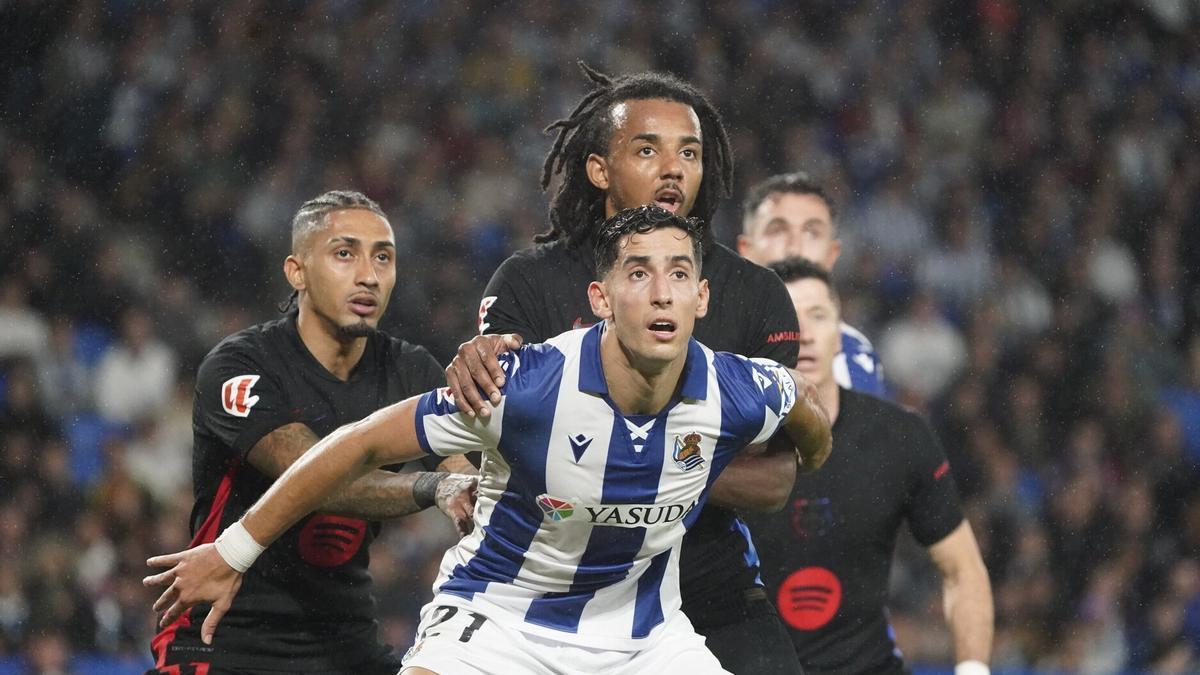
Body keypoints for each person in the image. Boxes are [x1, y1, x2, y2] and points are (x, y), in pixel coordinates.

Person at [142, 206, 834, 675]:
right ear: (601, 296)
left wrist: (813, 444)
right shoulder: (525, 386)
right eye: (639, 272)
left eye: (679, 274)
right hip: (499, 624)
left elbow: (807, 422)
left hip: (643, 640)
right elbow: (353, 445)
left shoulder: (741, 389)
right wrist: (236, 548)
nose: (661, 293)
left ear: (702, 298)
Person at [447, 64, 807, 673]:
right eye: (648, 149)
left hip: (707, 594)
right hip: (547, 603)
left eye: (689, 152)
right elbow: (483, 438)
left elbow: (773, 482)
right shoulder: (529, 283)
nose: (673, 168)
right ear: (599, 169)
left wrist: (618, 466)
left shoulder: (756, 295)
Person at [145, 190, 478, 675]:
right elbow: (318, 474)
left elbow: (471, 477)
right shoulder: (241, 367)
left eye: (382, 257)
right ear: (296, 271)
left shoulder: (410, 370)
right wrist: (435, 487)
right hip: (225, 635)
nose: (368, 275)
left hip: (346, 640)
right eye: (345, 253)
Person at [747, 257, 993, 674]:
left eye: (819, 316)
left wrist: (973, 669)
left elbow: (963, 570)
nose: (804, 334)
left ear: (841, 336)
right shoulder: (723, 443)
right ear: (763, 335)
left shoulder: (900, 437)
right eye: (789, 318)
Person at [738, 172, 886, 398]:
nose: (795, 248)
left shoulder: (855, 356)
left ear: (831, 255)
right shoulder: (700, 341)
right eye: (777, 230)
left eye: (811, 232)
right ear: (745, 250)